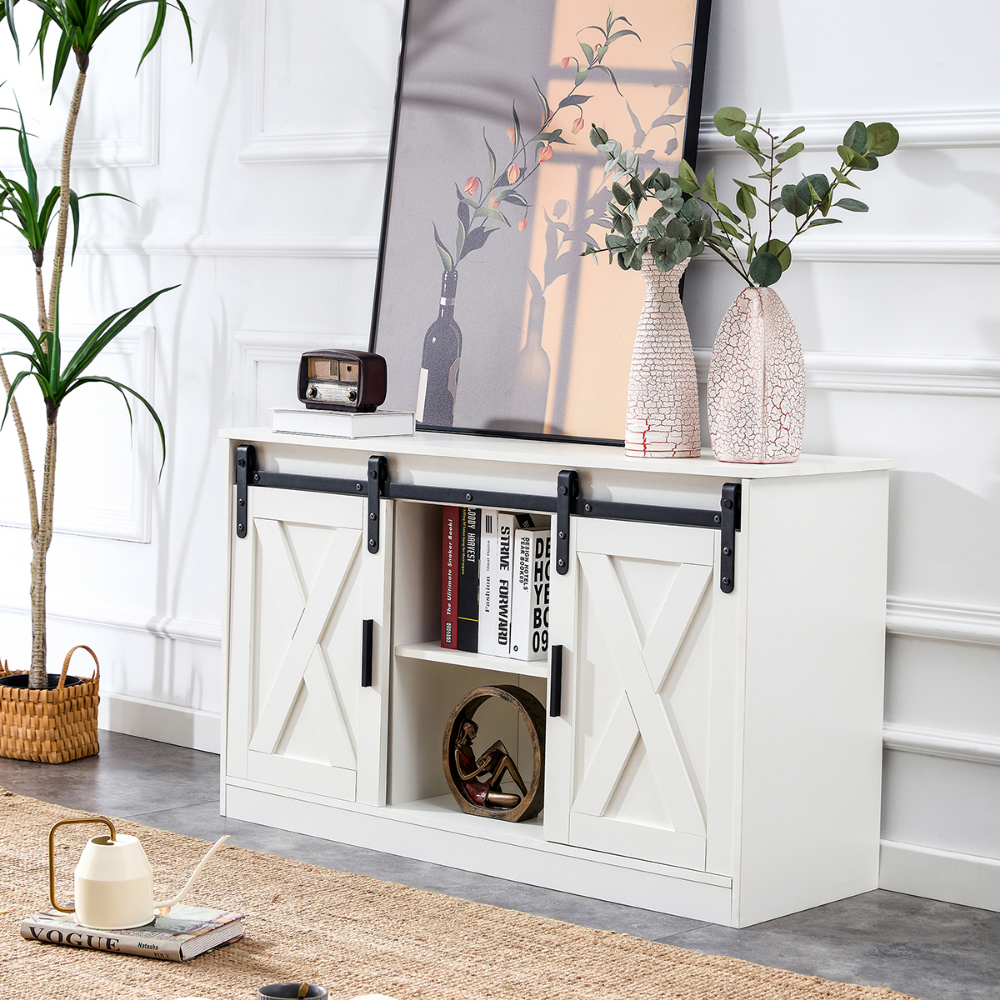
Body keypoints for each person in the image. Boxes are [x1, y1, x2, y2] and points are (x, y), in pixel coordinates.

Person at [452, 718, 527, 808]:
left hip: (482, 785)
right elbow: (463, 777)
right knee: (516, 799)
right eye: (472, 732)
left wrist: (489, 764)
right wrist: (483, 765)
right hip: (475, 792)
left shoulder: (469, 748)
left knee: (506, 759)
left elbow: (478, 774)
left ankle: (526, 794)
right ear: (465, 731)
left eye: (475, 732)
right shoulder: (458, 750)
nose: (475, 735)